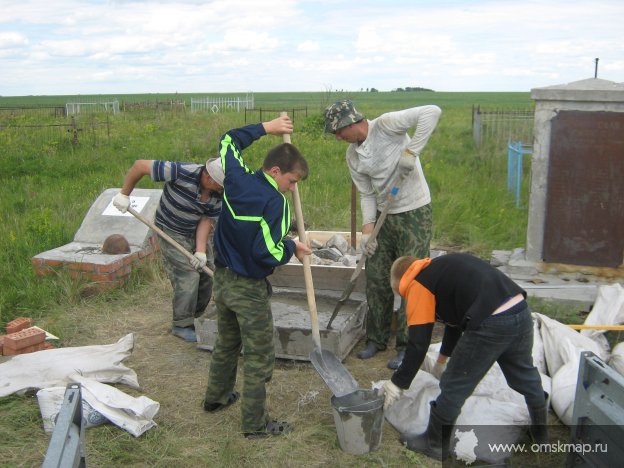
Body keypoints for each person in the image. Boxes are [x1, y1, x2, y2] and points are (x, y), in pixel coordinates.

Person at [202, 115, 311, 439]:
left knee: (227, 343)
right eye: (291, 181)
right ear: (275, 171)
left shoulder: (236, 177)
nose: (292, 189)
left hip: (221, 280)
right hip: (248, 289)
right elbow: (266, 252)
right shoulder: (275, 204)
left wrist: (267, 128)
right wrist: (291, 247)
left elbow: (228, 140)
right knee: (260, 356)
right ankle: (255, 424)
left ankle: (216, 398)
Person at [381, 253, 548, 461]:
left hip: (491, 321)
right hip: (519, 310)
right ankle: (540, 434)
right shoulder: (441, 271)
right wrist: (442, 359)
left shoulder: (417, 283)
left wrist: (398, 383)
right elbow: (455, 322)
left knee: (453, 384)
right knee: (523, 375)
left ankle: (434, 443)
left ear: (400, 282)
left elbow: (418, 344)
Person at [323, 99, 441, 369]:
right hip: (382, 217)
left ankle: (407, 345)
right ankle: (376, 339)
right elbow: (366, 193)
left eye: (339, 131)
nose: (339, 137)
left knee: (412, 279)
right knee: (376, 276)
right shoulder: (352, 155)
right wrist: (367, 231)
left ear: (351, 122)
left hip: (414, 211)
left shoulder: (387, 125)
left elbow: (431, 111)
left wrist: (411, 152)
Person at [112, 157, 224, 342]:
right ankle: (181, 324)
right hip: (170, 230)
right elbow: (140, 165)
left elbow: (206, 220)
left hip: (193, 229)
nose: (222, 189)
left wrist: (201, 251)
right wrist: (124, 194)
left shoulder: (218, 193)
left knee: (207, 273)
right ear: (209, 178)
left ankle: (195, 316)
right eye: (220, 185)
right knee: (188, 276)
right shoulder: (181, 171)